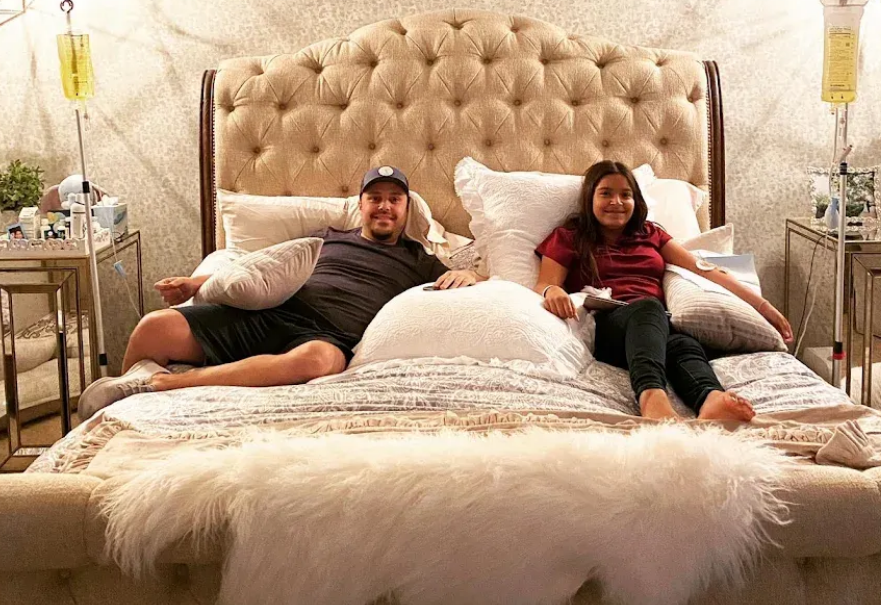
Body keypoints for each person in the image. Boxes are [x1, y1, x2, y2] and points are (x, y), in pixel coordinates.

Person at [78, 166, 481, 420]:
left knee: (321, 361)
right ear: (361, 204)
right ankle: (115, 415)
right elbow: (259, 266)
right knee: (155, 327)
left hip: (326, 336)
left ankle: (166, 384)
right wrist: (195, 284)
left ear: (406, 209)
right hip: (271, 313)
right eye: (375, 198)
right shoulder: (327, 237)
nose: (384, 207)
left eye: (395, 200)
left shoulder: (418, 259)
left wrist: (469, 275)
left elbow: (471, 279)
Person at [534, 160, 793, 422]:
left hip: (655, 326)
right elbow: (545, 283)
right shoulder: (569, 236)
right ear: (590, 197)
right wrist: (552, 291)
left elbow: (704, 269)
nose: (617, 201)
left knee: (683, 343)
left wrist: (764, 307)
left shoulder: (650, 234)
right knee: (648, 307)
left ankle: (711, 398)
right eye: (606, 193)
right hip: (605, 327)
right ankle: (652, 397)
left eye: (626, 195)